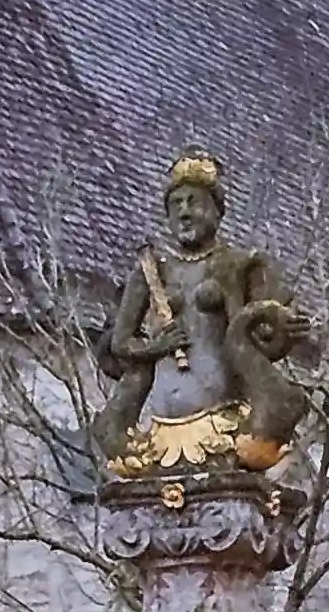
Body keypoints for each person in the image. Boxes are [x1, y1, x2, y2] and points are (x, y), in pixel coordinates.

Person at [91, 150, 310, 472]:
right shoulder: (151, 272)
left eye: (193, 202)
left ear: (216, 211)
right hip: (159, 433)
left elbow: (268, 332)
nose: (184, 213)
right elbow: (120, 344)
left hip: (226, 422)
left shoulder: (239, 263)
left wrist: (280, 331)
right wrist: (156, 347)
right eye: (175, 205)